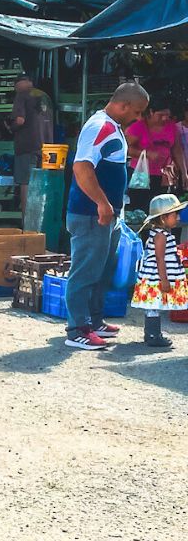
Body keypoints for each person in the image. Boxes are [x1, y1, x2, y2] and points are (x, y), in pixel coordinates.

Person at [64, 82, 149, 350]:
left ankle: (95, 321)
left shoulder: (114, 128)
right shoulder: (99, 126)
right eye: (136, 112)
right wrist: (101, 203)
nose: (138, 118)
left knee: (102, 270)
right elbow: (81, 167)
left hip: (107, 214)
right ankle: (76, 329)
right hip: (91, 214)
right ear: (123, 105)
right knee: (85, 272)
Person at [131, 194, 188, 348]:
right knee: (154, 305)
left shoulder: (161, 234)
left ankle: (151, 334)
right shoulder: (160, 236)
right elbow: (160, 259)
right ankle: (153, 335)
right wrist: (164, 279)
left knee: (154, 306)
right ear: (163, 218)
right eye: (175, 214)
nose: (177, 218)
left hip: (156, 275)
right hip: (156, 277)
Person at [125, 99, 183, 211]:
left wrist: (183, 171)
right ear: (151, 112)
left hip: (165, 175)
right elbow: (126, 148)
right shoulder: (138, 127)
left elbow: (177, 149)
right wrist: (146, 154)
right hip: (141, 176)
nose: (164, 118)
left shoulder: (171, 126)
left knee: (164, 208)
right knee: (142, 207)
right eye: (161, 115)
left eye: (167, 115)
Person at [10, 75, 54, 209]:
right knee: (41, 184)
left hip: (27, 146)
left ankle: (27, 223)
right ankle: (40, 220)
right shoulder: (45, 96)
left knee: (26, 183)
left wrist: (11, 127)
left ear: (17, 85)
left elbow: (19, 120)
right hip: (46, 147)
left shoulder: (22, 95)